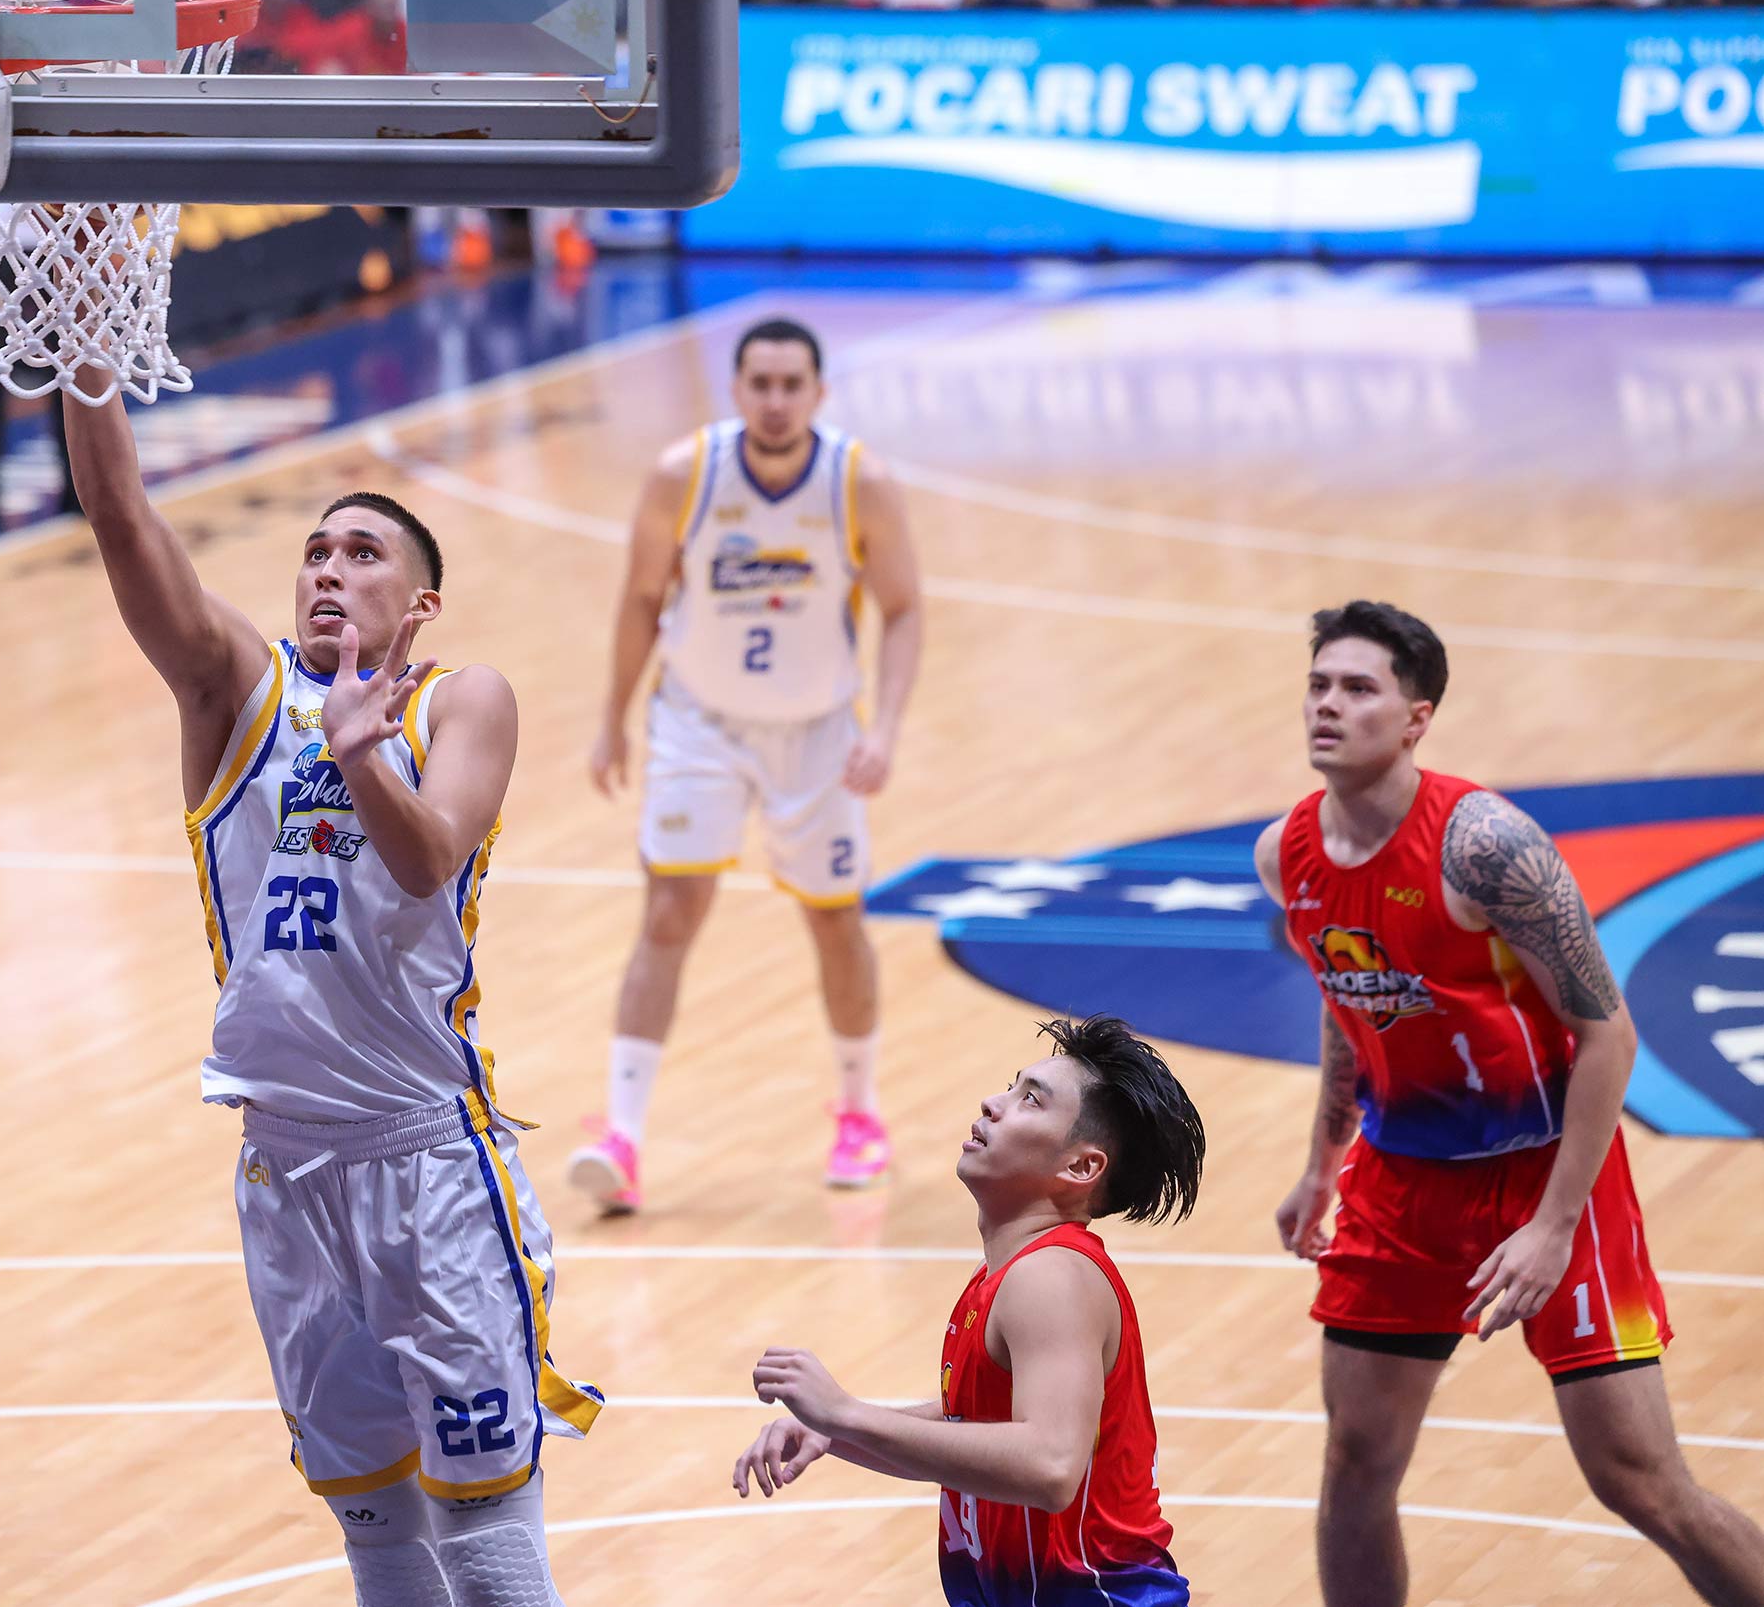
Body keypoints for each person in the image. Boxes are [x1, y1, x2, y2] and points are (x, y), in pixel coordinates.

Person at [62, 389, 599, 1605]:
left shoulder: (459, 699)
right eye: (314, 549)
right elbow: (119, 513)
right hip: (284, 1171)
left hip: (429, 1165)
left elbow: (428, 857)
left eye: (362, 553)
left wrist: (360, 754)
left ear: (418, 604)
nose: (327, 568)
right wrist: (87, 357)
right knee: (378, 1538)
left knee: (485, 1535)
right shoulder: (235, 693)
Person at [1256, 601, 1764, 1607]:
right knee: (1356, 1459)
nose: (1327, 704)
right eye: (1318, 684)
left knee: (1635, 1477)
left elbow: (1608, 1034)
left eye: (1357, 687)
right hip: (1401, 1180)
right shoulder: (1287, 853)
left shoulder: (1485, 845)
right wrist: (1321, 1165)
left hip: (1547, 1170)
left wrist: (1554, 1223)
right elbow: (1348, 1003)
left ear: (1417, 717)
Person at [571, 317, 922, 1213]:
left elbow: (903, 608)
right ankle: (621, 1136)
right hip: (701, 721)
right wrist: (612, 718)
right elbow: (641, 598)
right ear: (735, 390)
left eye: (790, 384)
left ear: (818, 392)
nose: (774, 400)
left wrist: (884, 728)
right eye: (759, 384)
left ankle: (860, 1113)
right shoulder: (683, 474)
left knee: (834, 918)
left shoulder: (859, 482)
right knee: (669, 910)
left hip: (817, 730)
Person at [730, 1017, 1203, 1607]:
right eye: (1011, 1086)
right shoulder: (1007, 1275)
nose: (993, 1103)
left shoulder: (1052, 1276)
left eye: (1031, 1100)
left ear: (1081, 1168)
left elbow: (1050, 1465)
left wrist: (847, 1413)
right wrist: (836, 1430)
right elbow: (975, 1425)